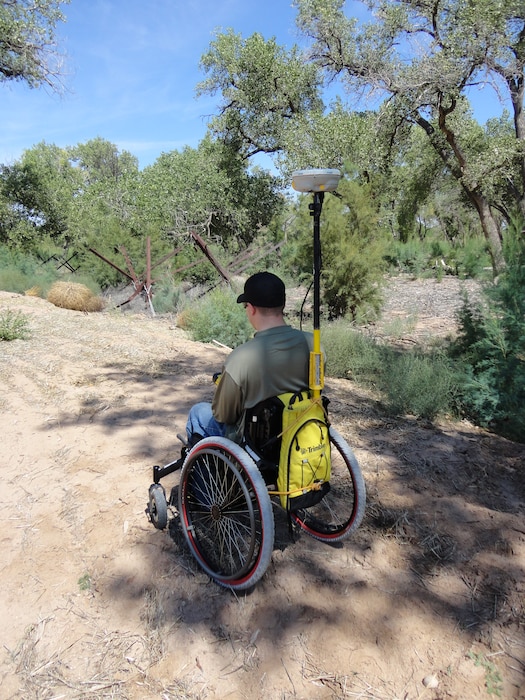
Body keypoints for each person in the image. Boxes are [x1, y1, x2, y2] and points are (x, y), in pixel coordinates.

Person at [185, 271, 315, 444]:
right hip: (301, 435)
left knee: (198, 412)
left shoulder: (240, 358)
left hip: (255, 444)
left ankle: (206, 471)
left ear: (251, 308)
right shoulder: (314, 345)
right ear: (283, 305)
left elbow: (223, 415)